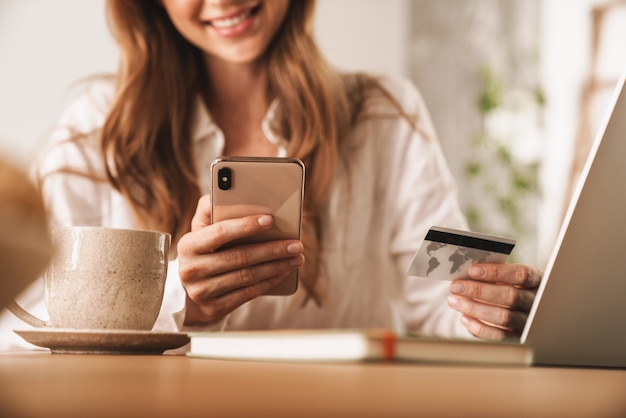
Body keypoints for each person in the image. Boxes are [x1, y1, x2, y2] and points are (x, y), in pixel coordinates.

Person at [0, 0, 542, 350]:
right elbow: (25, 328)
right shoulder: (96, 128)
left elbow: (443, 293)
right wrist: (180, 300)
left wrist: (497, 308)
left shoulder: (385, 112)